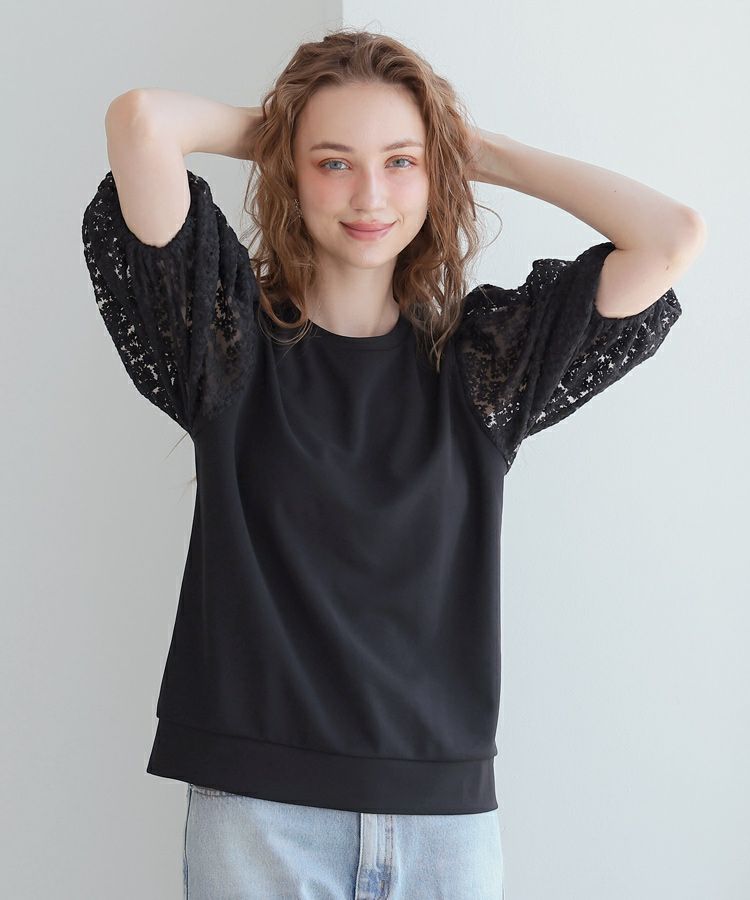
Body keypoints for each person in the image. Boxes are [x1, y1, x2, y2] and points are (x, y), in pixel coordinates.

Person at [80, 26, 703, 900]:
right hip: (260, 816)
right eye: (333, 163)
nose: (370, 194)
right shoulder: (226, 345)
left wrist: (475, 150)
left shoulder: (482, 370)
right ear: (292, 173)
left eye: (401, 163)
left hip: (443, 827)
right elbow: (141, 122)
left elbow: (670, 237)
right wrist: (287, 130)